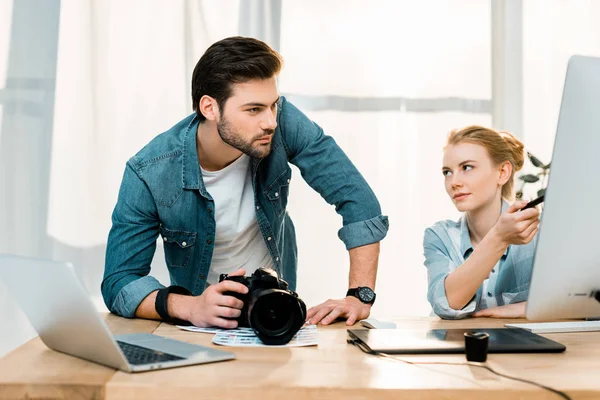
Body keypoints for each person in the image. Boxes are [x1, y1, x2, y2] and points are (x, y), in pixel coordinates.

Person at [101, 36, 388, 328]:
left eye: (273, 105)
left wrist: (358, 296)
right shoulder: (149, 172)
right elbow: (119, 281)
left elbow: (358, 201)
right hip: (200, 326)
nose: (270, 122)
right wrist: (190, 307)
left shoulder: (283, 123)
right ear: (210, 108)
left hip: (275, 316)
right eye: (253, 109)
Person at [424, 125, 540, 319]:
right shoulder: (439, 236)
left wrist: (524, 308)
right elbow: (446, 303)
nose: (454, 182)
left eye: (466, 167)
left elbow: (583, 301)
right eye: (447, 172)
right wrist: (499, 237)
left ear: (502, 172)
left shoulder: (539, 232)